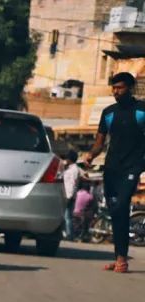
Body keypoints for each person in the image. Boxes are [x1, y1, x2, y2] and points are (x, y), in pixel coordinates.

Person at [84, 72, 145, 273]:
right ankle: (120, 257)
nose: (115, 92)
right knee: (115, 211)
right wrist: (91, 155)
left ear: (130, 88)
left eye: (119, 87)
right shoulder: (108, 112)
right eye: (113, 88)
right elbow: (99, 142)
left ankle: (121, 258)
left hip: (133, 167)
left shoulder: (142, 110)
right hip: (111, 168)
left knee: (120, 206)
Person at [62, 150, 82, 241]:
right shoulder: (70, 168)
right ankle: (67, 233)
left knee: (67, 217)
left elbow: (72, 184)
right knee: (67, 216)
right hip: (68, 195)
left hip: (69, 195)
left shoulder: (74, 169)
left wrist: (69, 196)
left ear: (70, 159)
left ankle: (69, 235)